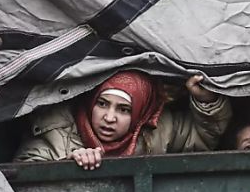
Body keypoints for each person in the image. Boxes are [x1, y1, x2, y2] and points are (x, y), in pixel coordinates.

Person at [14, 70, 231, 169]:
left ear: (139, 114)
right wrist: (69, 165)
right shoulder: (56, 129)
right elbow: (23, 172)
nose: (109, 118)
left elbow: (205, 137)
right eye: (102, 104)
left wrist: (207, 100)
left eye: (124, 110)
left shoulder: (160, 129)